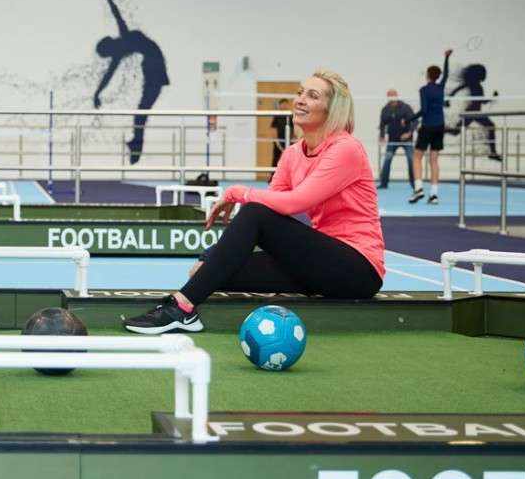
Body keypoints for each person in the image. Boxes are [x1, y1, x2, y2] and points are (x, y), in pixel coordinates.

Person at [122, 70, 384, 334]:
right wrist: (212, 255)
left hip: (358, 268)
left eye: (312, 96)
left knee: (254, 212)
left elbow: (293, 203)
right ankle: (189, 305)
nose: (301, 100)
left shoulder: (346, 149)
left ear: (332, 110)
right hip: (320, 265)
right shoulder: (293, 154)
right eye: (300, 92)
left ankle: (181, 309)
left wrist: (238, 191)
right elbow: (271, 209)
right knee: (212, 273)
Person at [92, 0, 169, 164]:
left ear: (110, 45)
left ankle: (137, 147)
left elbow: (116, 14)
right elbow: (108, 76)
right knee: (141, 112)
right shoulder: (121, 45)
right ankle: (136, 144)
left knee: (141, 112)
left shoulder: (123, 42)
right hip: (153, 66)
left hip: (154, 67)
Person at [409, 49, 451, 205]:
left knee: (417, 156)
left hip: (427, 126)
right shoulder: (440, 88)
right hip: (439, 126)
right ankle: (434, 195)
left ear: (427, 75)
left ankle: (418, 189)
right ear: (438, 76)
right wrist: (446, 58)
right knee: (434, 160)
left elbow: (424, 110)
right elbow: (446, 74)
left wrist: (409, 119)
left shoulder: (424, 90)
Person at [446, 63, 502, 162]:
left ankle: (493, 152)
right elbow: (481, 101)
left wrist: (449, 98)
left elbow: (459, 89)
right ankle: (492, 152)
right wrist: (492, 98)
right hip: (473, 112)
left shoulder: (476, 85)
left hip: (474, 112)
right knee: (490, 126)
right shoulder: (475, 85)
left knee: (456, 131)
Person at [377, 89, 416, 189]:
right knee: (387, 160)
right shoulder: (385, 109)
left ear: (397, 95)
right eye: (389, 95)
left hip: (406, 140)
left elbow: (415, 121)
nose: (392, 97)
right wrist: (382, 136)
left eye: (393, 95)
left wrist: (409, 133)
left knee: (411, 159)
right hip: (392, 140)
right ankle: (384, 183)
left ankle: (414, 184)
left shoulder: (405, 107)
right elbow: (382, 125)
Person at [269, 98, 295, 180]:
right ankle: (272, 178)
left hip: (289, 141)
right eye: (282, 104)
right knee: (276, 159)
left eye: (285, 104)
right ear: (279, 105)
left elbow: (295, 129)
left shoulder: (291, 116)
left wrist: (293, 141)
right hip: (279, 142)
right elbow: (273, 129)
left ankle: (290, 178)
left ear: (288, 105)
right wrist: (277, 143)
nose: (284, 106)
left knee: (291, 160)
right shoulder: (277, 116)